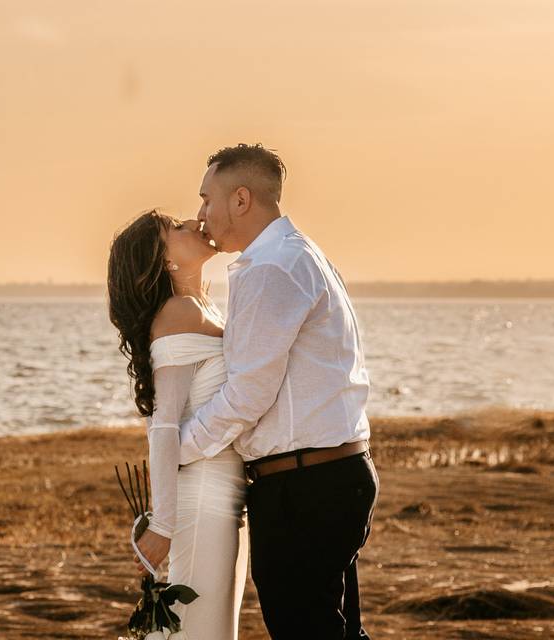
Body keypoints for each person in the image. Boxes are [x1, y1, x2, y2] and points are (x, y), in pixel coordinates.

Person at [178, 143, 379, 639]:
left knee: (304, 630)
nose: (201, 213)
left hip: (306, 486)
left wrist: (178, 448)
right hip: (328, 476)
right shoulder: (296, 253)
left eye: (208, 199)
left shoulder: (270, 269)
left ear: (241, 199)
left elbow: (249, 393)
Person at [108, 210, 248, 640]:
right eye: (178, 229)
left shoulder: (202, 307)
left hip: (227, 497)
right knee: (197, 632)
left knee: (213, 629)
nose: (193, 222)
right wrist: (163, 526)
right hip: (203, 498)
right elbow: (164, 426)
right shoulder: (179, 312)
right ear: (165, 261)